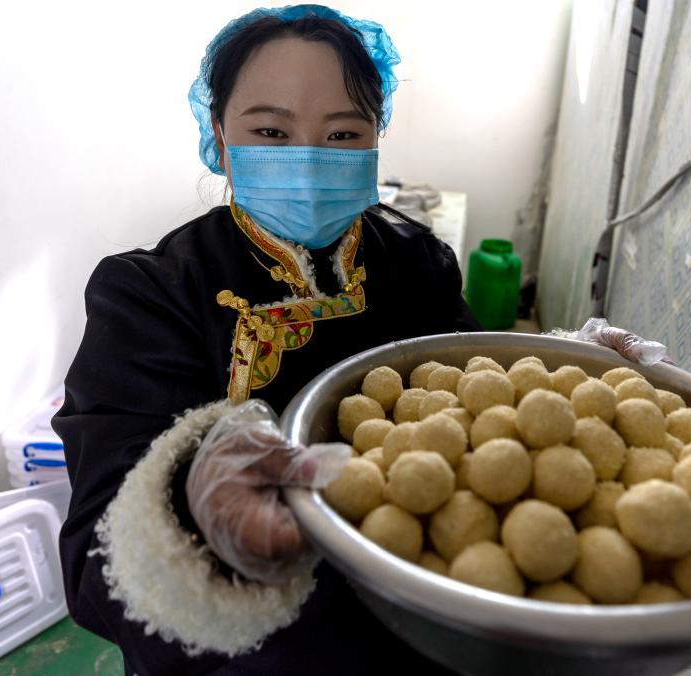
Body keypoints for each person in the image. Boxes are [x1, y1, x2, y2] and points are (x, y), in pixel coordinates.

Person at [52, 5, 478, 674]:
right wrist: (195, 512)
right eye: (271, 131)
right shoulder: (149, 294)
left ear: (376, 138)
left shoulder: (419, 263)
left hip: (423, 630)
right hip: (254, 655)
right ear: (221, 138)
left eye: (343, 133)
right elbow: (96, 557)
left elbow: (481, 396)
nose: (307, 159)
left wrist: (567, 362)